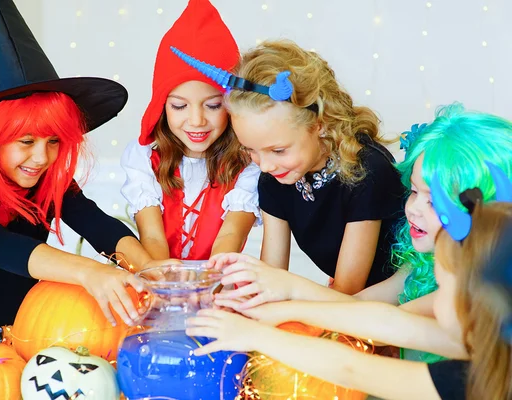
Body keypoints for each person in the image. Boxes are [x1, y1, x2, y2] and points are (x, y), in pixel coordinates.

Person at [0, 0, 166, 373]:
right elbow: (3, 248)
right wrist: (89, 272)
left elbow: (102, 227)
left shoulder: (50, 184)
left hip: (34, 334)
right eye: (26, 142)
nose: (41, 158)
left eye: (53, 142)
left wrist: (150, 270)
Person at [186, 168, 512, 400]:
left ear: (481, 301)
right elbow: (388, 321)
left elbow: (350, 369)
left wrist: (255, 335)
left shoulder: (469, 380)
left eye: (444, 287)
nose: (436, 299)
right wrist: (282, 309)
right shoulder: (482, 342)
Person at [172, 39, 405, 292]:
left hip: (398, 303)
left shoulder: (367, 172)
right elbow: (271, 276)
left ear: (320, 124)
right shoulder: (275, 177)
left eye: (278, 150)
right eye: (250, 149)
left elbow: (347, 293)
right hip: (342, 303)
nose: (265, 166)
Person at [120, 0, 260, 262]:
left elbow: (231, 236)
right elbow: (151, 237)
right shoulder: (143, 158)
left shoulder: (249, 163)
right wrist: (169, 285)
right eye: (179, 105)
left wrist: (204, 285)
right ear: (162, 107)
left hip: (218, 281)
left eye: (213, 105)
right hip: (159, 278)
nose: (196, 120)